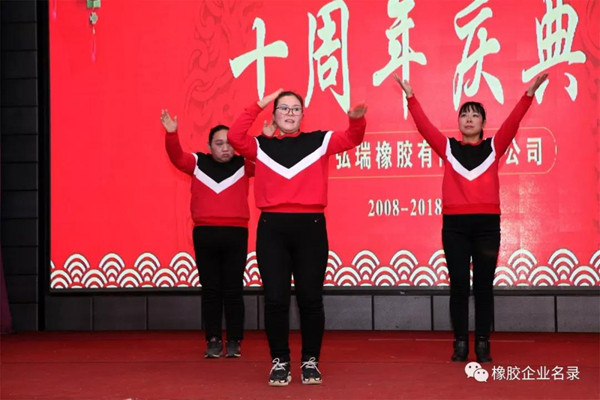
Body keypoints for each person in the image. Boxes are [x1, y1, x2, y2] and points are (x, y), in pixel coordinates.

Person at [393, 73, 548, 363]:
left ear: (483, 123)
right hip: (455, 228)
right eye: (464, 114)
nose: (469, 119)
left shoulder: (493, 147)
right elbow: (425, 127)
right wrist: (411, 97)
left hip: (487, 227)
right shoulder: (449, 148)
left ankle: (484, 343)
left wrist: (528, 94)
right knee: (460, 286)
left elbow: (513, 122)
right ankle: (461, 342)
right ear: (459, 122)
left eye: (475, 115)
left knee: (483, 287)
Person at [227, 89, 367, 386]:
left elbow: (352, 139)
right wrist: (259, 103)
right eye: (283, 108)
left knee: (310, 299)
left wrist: (356, 120)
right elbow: (235, 136)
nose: (289, 114)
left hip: (310, 228)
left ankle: (310, 361)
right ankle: (279, 361)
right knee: (275, 300)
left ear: (303, 114)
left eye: (295, 109)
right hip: (272, 229)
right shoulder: (261, 146)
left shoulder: (319, 141)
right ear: (274, 114)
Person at [161, 111, 254, 359]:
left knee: (233, 289)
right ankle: (213, 339)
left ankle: (234, 340)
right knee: (211, 290)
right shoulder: (197, 162)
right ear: (209, 146)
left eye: (229, 144)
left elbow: (265, 161)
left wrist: (265, 137)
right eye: (219, 143)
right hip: (205, 234)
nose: (225, 148)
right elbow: (177, 158)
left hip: (236, 233)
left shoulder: (244, 164)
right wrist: (171, 134)